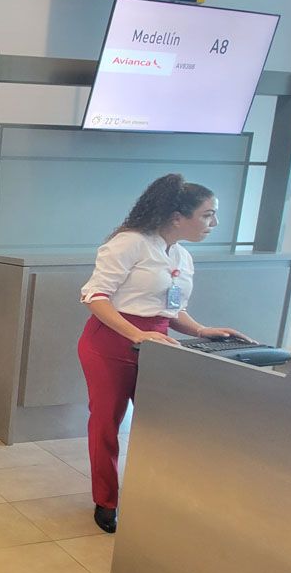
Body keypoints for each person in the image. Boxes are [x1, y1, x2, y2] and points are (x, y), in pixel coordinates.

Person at [77, 174, 249, 534]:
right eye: (207, 215)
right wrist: (136, 333)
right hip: (110, 343)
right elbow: (95, 296)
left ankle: (156, 497)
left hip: (158, 346)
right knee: (106, 423)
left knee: (161, 426)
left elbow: (171, 310)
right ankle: (106, 500)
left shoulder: (182, 256)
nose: (214, 223)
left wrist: (200, 329)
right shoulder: (129, 243)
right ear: (176, 217)